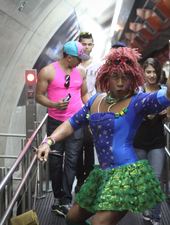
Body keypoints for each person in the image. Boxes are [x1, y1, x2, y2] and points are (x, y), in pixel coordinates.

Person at [36, 21, 170, 225]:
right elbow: (71, 123)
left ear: (134, 78)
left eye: (126, 77)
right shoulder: (95, 101)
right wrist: (49, 141)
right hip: (101, 174)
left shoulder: (138, 102)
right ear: (106, 77)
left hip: (126, 175)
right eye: (115, 77)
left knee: (99, 224)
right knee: (72, 218)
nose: (120, 83)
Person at [35, 40, 90, 216]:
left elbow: (84, 94)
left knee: (72, 162)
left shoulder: (80, 72)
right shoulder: (48, 71)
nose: (81, 61)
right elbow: (38, 96)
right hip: (55, 123)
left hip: (75, 123)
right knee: (56, 162)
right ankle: (57, 198)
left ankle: (66, 200)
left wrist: (94, 110)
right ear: (69, 57)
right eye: (78, 58)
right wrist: (54, 104)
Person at [133, 58, 170, 225]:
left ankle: (156, 216)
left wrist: (163, 113)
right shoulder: (137, 91)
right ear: (143, 73)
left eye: (155, 72)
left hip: (157, 142)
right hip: (139, 141)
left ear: (159, 73)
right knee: (142, 179)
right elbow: (130, 115)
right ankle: (146, 209)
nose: (152, 75)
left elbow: (168, 117)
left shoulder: (165, 91)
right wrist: (143, 114)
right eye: (148, 72)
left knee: (155, 179)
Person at [75, 32, 102, 193]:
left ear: (93, 46)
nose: (87, 47)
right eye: (84, 44)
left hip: (92, 109)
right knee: (77, 145)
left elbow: (100, 89)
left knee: (90, 145)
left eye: (89, 44)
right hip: (76, 110)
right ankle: (79, 179)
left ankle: (90, 178)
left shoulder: (98, 66)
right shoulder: (74, 65)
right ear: (79, 45)